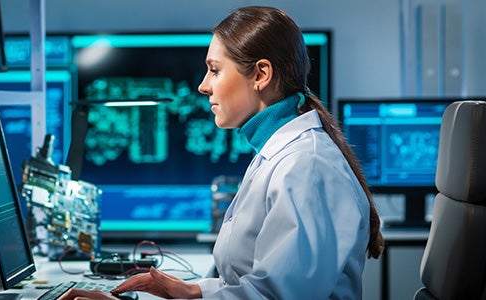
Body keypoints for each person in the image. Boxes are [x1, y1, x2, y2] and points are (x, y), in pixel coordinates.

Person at [59, 5, 384, 300]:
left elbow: (276, 298)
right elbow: (256, 283)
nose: (203, 86)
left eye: (214, 70)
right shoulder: (280, 153)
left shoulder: (304, 167)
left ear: (260, 75)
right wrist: (192, 290)